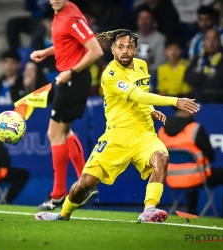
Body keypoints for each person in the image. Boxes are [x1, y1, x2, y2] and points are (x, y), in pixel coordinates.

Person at [34, 29, 199, 222]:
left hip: (144, 133)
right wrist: (175, 101)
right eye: (120, 47)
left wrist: (150, 109)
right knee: (85, 183)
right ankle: (63, 213)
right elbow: (136, 95)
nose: (125, 51)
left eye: (129, 47)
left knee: (161, 158)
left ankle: (149, 210)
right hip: (116, 136)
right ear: (112, 49)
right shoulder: (110, 73)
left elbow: (142, 95)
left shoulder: (142, 66)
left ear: (135, 50)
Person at [30, 0, 103, 210]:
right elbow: (68, 43)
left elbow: (96, 50)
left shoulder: (71, 16)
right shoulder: (59, 13)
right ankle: (85, 183)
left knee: (55, 133)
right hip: (69, 78)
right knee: (65, 132)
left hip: (73, 79)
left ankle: (59, 194)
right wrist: (47, 52)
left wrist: (71, 72)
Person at [158, 106, 223, 218]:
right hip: (196, 177)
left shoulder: (162, 131)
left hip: (170, 178)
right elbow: (211, 156)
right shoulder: (195, 128)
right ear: (185, 109)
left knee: (193, 170)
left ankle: (191, 212)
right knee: (197, 171)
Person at [184, 28, 223, 103]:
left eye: (214, 39)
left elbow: (218, 82)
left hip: (218, 101)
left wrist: (199, 78)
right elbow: (187, 76)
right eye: (208, 39)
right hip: (197, 98)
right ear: (204, 41)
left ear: (219, 41)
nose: (211, 43)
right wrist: (205, 75)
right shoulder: (198, 58)